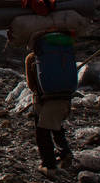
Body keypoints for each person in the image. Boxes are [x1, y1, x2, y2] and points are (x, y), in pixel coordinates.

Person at [25, 31, 75, 174]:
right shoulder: (62, 56)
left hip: (45, 101)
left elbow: (31, 84)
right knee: (56, 126)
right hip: (65, 97)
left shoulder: (32, 59)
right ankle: (65, 153)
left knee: (42, 133)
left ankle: (49, 165)